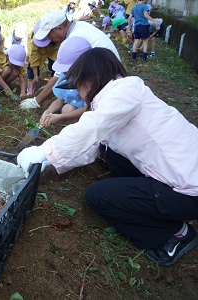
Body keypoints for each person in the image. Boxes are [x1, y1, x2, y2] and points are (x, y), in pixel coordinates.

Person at [17, 47, 198, 267]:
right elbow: (94, 145)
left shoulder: (124, 91)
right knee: (108, 151)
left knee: (98, 196)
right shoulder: (118, 96)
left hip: (190, 190)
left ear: (91, 79)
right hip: (182, 175)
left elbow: (92, 127)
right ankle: (153, 202)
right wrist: (49, 161)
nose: (79, 94)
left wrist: (42, 150)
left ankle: (176, 234)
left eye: (78, 86)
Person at [19, 9, 120, 110]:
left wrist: (36, 101)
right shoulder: (79, 26)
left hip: (106, 81)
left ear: (59, 29)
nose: (49, 39)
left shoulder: (75, 40)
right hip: (111, 72)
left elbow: (59, 75)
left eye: (49, 36)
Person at [39, 36, 91, 127]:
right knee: (67, 108)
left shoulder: (92, 81)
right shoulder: (66, 75)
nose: (64, 71)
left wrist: (61, 117)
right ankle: (76, 134)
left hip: (92, 116)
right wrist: (47, 112)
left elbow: (91, 107)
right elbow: (60, 99)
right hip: (75, 113)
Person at [25, 20, 59, 98]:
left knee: (55, 66)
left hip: (53, 49)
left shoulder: (56, 37)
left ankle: (55, 84)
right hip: (40, 51)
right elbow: (34, 58)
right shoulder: (34, 41)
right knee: (31, 67)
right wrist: (36, 75)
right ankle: (30, 86)